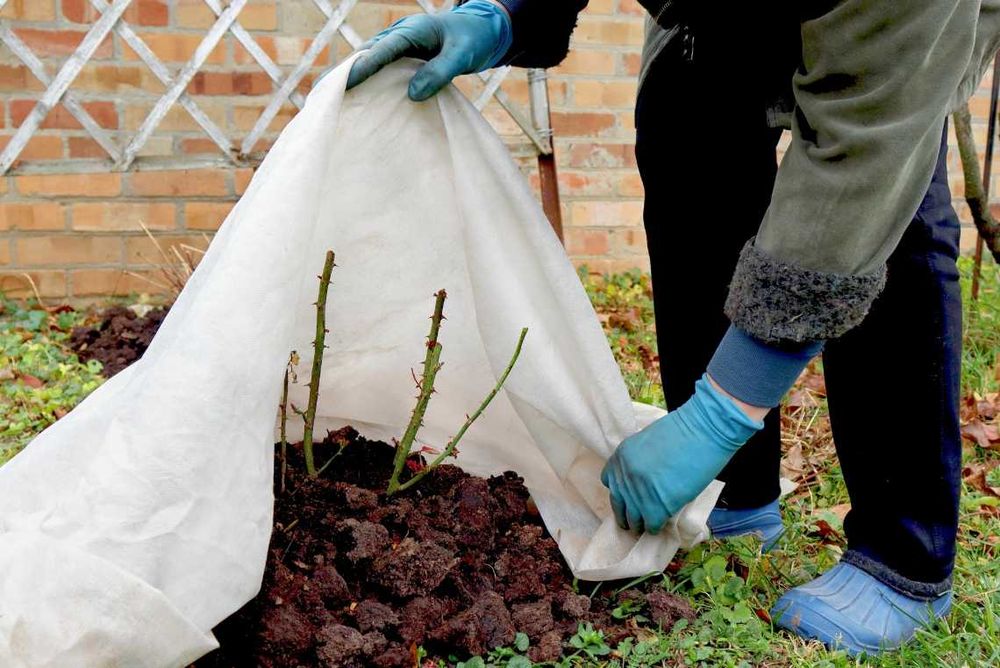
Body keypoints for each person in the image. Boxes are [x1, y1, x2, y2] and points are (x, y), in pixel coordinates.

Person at [343, 0, 1000, 656]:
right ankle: (734, 495)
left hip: (900, 27)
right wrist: (509, 12)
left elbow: (866, 155)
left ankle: (905, 557)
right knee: (685, 119)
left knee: (892, 202)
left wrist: (720, 412)